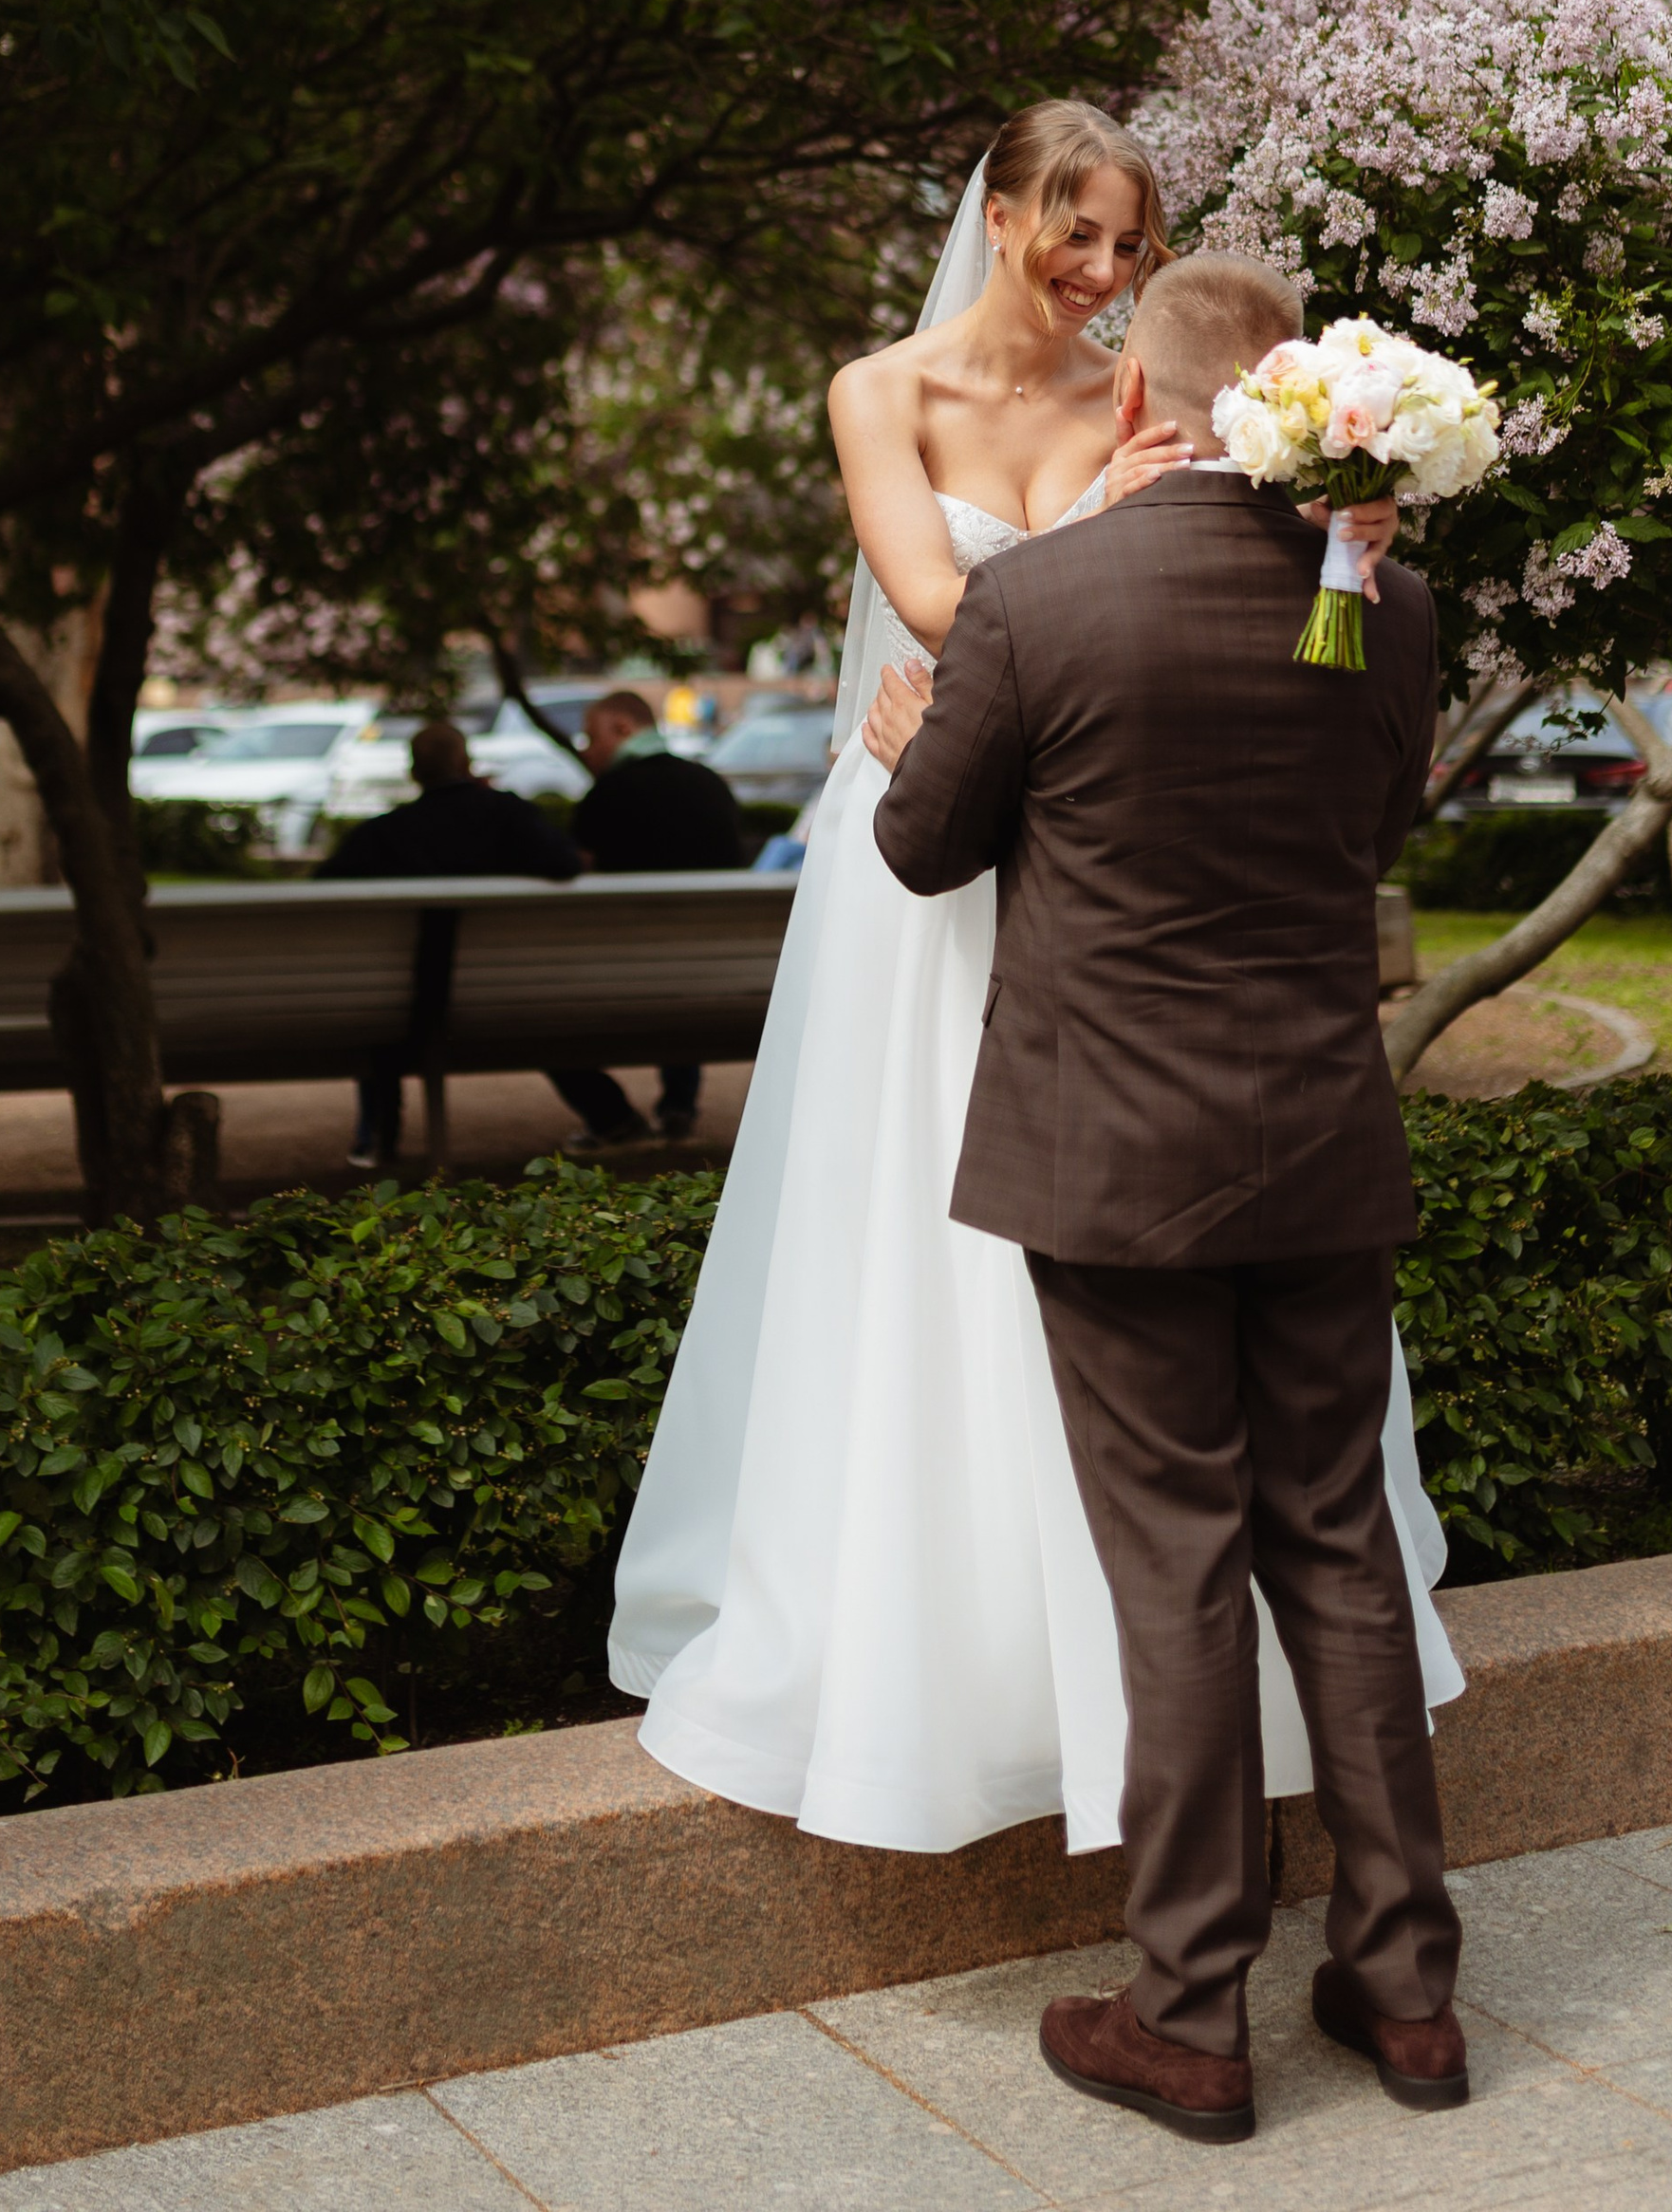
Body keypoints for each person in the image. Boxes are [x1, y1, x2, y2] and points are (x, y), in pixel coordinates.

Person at [607, 102, 1458, 1861]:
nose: (1102, 272)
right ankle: (939, 1650)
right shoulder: (883, 391)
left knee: (1108, 1258)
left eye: (1131, 245)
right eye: (1075, 234)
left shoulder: (1149, 388)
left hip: (1093, 835)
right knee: (925, 1237)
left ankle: (1140, 1698)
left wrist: (1170, 533)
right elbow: (935, 601)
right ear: (995, 216)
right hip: (930, 843)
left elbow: (1213, 597)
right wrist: (1100, 533)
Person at [872, 250, 1466, 2145]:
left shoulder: (1039, 602)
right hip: (1313, 1147)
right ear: (1288, 400)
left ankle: (1187, 2013)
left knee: (1177, 1578)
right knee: (1339, 1553)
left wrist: (910, 748)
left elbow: (921, 848)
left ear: (1136, 395)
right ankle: (1404, 1991)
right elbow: (1364, 834)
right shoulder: (1375, 601)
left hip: (1118, 1166)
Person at [317, 719, 579, 1170]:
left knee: (382, 1018)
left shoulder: (385, 834)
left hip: (412, 1007)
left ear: (414, 773)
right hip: (509, 997)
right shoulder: (507, 817)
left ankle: (378, 1138)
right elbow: (565, 862)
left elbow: (321, 886)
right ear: (467, 763)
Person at [549, 689, 748, 1148]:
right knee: (682, 963)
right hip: (714, 975)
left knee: (524, 1013)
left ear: (621, 729)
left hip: (620, 975)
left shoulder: (607, 794)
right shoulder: (710, 783)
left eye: (590, 736)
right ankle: (678, 1105)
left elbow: (579, 868)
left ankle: (612, 1117)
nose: (585, 749)